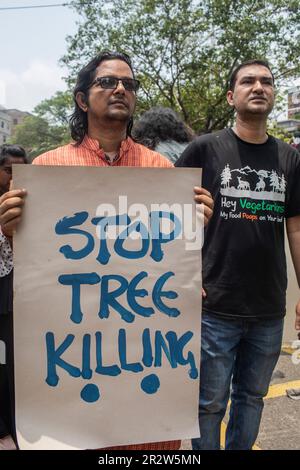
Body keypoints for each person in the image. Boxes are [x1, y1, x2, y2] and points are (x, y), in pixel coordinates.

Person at [0, 51, 213, 450]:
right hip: (72, 375)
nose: (121, 89)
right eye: (108, 82)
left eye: (129, 85)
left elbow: (175, 264)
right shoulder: (47, 170)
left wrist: (194, 224)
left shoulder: (163, 174)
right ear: (82, 99)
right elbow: (35, 266)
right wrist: (10, 229)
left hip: (145, 378)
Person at [176, 59, 300, 450]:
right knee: (209, 404)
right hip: (214, 305)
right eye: (248, 81)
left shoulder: (290, 159)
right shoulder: (204, 149)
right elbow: (169, 214)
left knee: (251, 399)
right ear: (232, 96)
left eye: (266, 81)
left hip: (268, 308)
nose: (258, 87)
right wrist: (184, 276)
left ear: (274, 95)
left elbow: (295, 227)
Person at [0, 145, 28, 450]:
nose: (13, 178)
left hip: (17, 301)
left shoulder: (28, 203)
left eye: (20, 170)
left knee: (13, 366)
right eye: (9, 170)